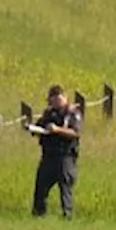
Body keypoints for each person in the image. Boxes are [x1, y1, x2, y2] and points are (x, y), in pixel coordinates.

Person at [31, 84, 83, 219]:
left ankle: (67, 215)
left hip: (65, 156)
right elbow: (39, 127)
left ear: (65, 98)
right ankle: (38, 215)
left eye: (59, 99)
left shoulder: (72, 113)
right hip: (48, 156)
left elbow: (75, 132)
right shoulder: (48, 114)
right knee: (41, 187)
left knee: (65, 188)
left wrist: (57, 130)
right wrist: (33, 129)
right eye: (53, 100)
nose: (56, 103)